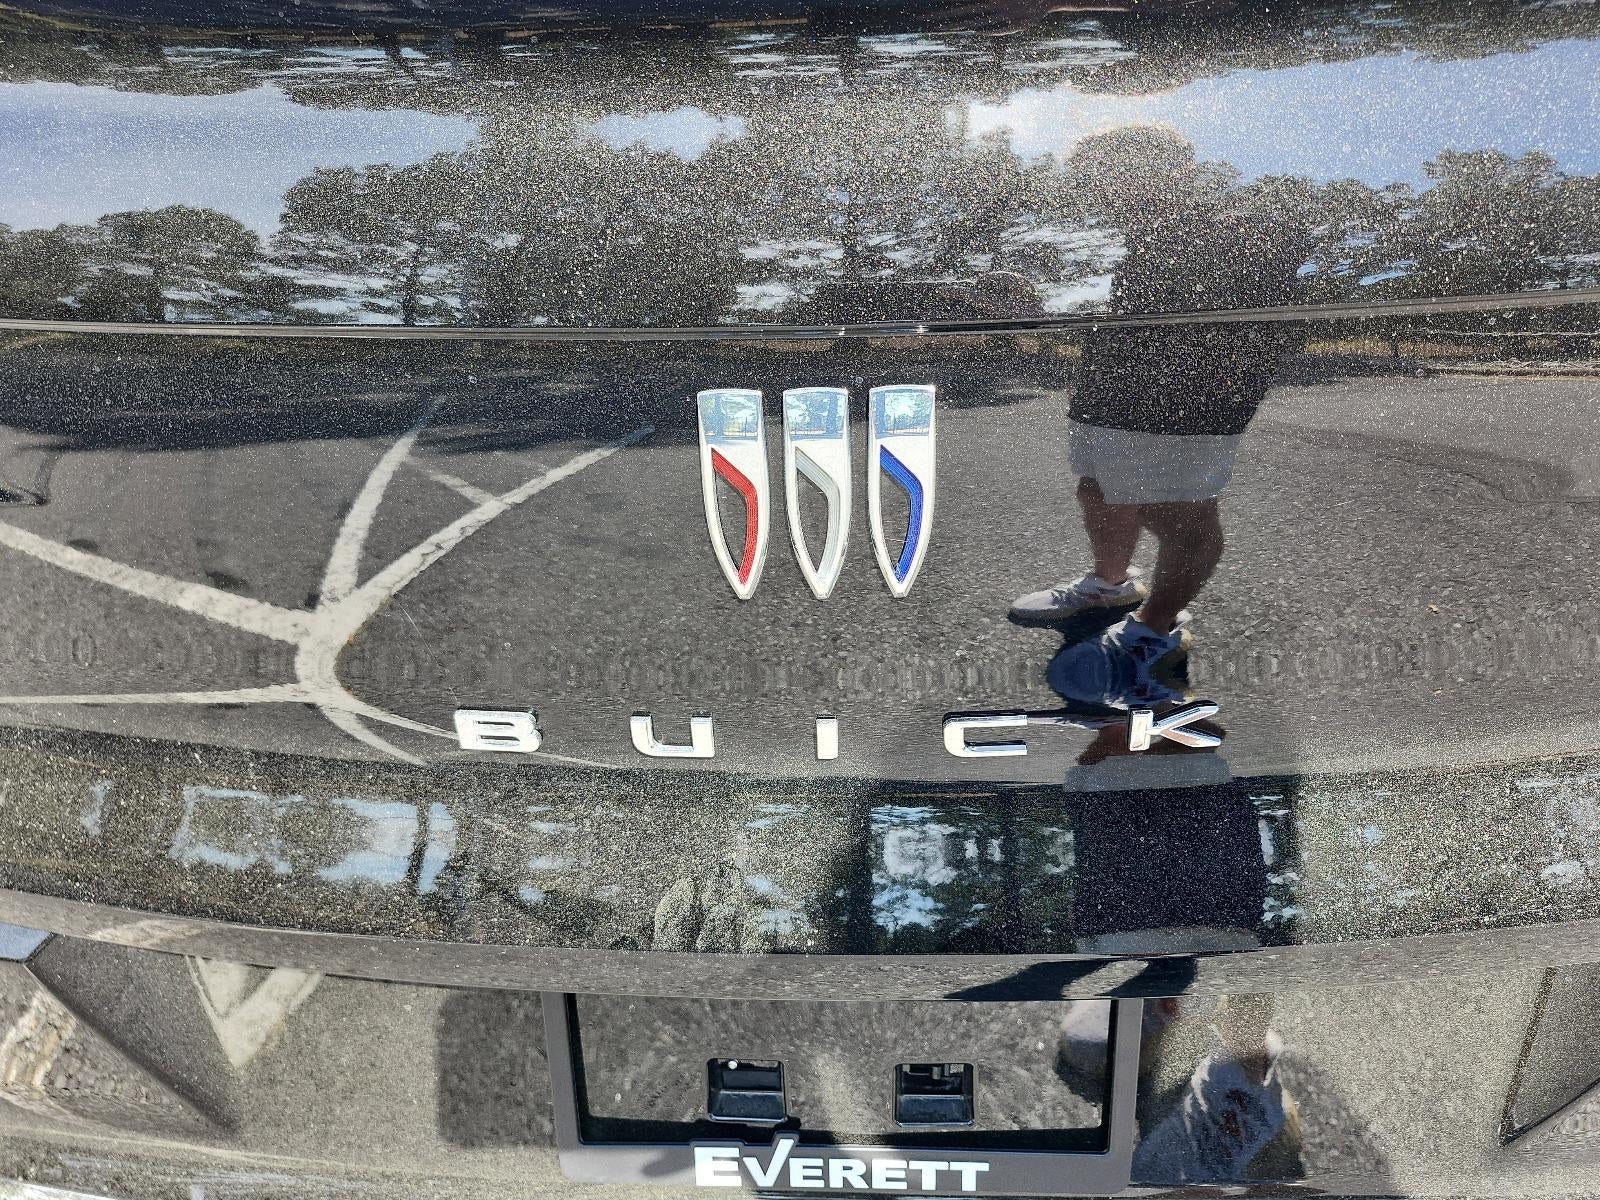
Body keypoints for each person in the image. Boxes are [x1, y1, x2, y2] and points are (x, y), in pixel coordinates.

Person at [1011, 129, 1314, 709]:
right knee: (1099, 489)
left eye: (1107, 175)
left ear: (1167, 172)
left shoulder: (1227, 230)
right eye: (1093, 179)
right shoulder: (1144, 237)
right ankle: (1109, 585)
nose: (1097, 191)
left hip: (1177, 407)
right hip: (1112, 396)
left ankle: (1153, 632)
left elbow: (1263, 324)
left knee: (1180, 520)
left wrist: (1215, 396)